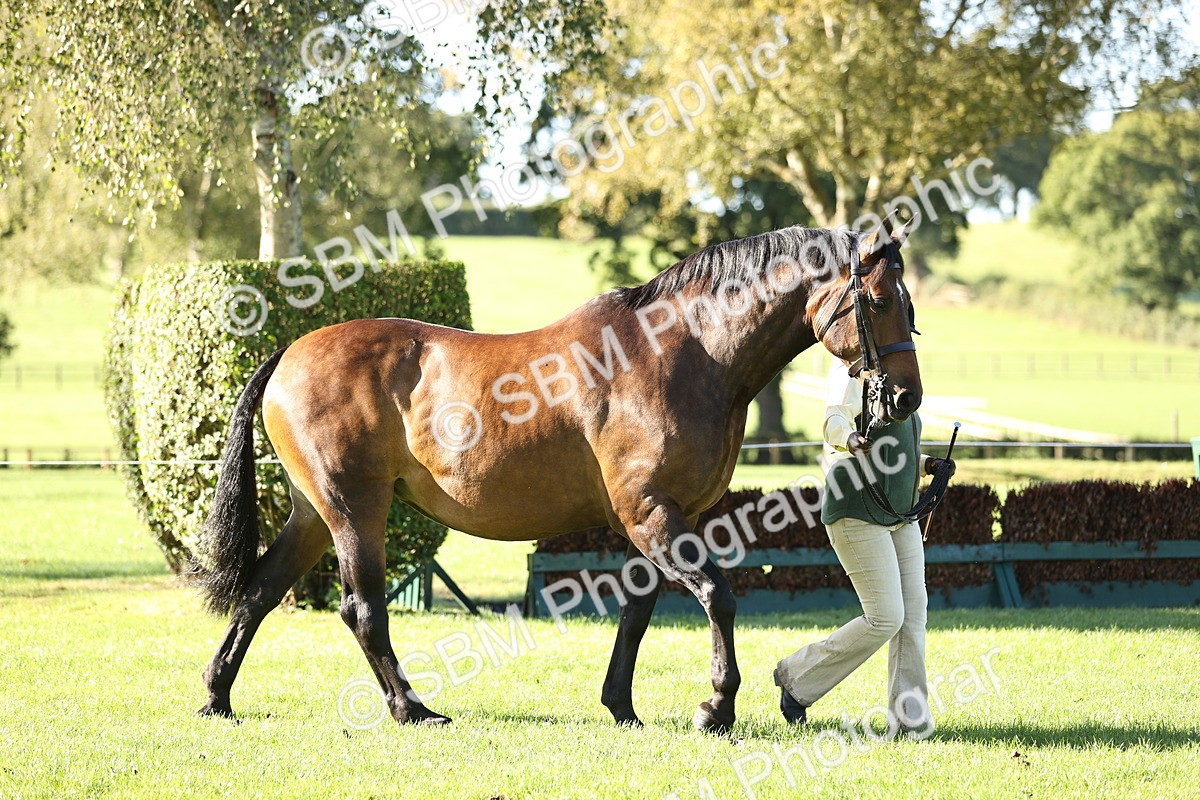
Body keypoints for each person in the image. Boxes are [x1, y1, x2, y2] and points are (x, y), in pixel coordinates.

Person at [773, 360, 954, 732]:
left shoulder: (899, 381)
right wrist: (851, 439)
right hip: (855, 507)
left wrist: (929, 464)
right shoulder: (850, 375)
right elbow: (834, 422)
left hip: (899, 512)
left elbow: (896, 453)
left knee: (913, 613)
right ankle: (798, 677)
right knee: (886, 616)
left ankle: (908, 720)